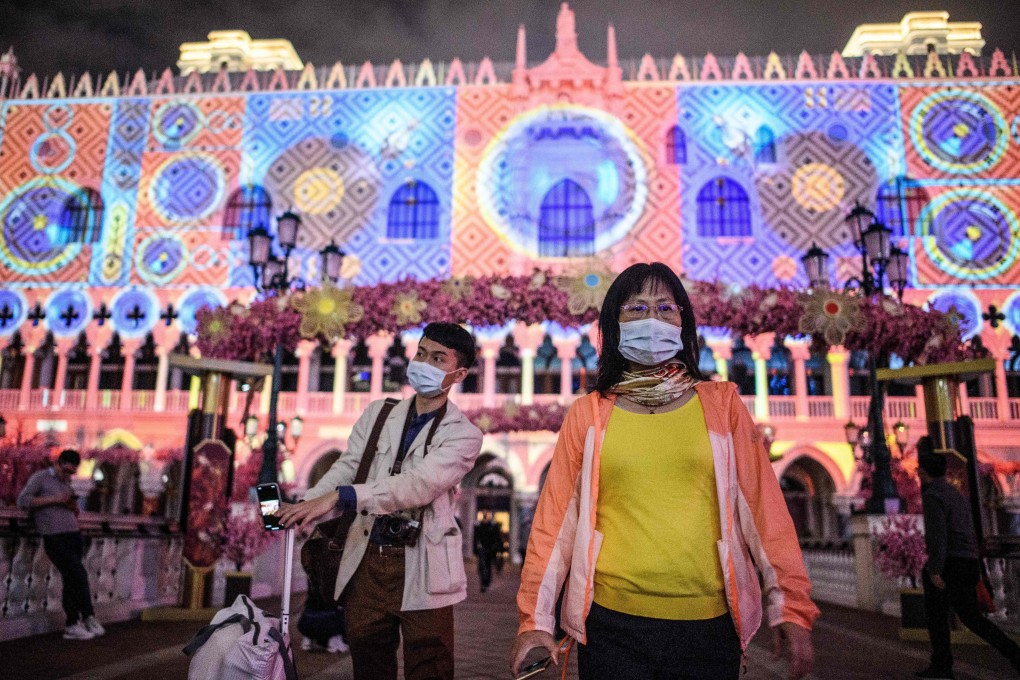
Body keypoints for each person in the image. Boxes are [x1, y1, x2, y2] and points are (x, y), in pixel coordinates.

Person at [512, 262, 818, 680]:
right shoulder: (589, 414)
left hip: (709, 627)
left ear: (683, 323)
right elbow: (554, 526)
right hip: (610, 623)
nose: (651, 319)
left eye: (664, 308)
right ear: (613, 327)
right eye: (635, 309)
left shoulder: (722, 405)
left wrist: (791, 605)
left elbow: (764, 512)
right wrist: (534, 622)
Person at [279, 322, 483, 680]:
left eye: (438, 358)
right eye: (421, 353)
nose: (424, 363)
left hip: (424, 563)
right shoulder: (379, 414)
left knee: (429, 663)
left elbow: (417, 485)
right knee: (369, 661)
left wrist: (340, 497)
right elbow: (348, 466)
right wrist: (307, 504)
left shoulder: (463, 434)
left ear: (458, 373)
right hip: (367, 561)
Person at [915, 436, 1020, 679]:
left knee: (938, 617)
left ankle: (942, 665)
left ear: (922, 472)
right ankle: (1013, 653)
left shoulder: (933, 496)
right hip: (967, 560)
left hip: (949, 563)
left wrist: (935, 569)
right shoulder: (954, 493)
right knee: (972, 618)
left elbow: (938, 536)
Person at [17, 449, 105, 641]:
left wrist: (72, 507)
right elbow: (23, 500)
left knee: (72, 578)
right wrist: (55, 500)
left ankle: (73, 624)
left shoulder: (66, 483)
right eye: (66, 471)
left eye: (71, 472)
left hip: (72, 533)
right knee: (78, 574)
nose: (68, 475)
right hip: (54, 535)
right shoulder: (41, 478)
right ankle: (87, 616)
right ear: (58, 463)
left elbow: (72, 510)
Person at [473, 511, 502, 593]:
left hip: (491, 549)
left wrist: (497, 549)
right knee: (482, 567)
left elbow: (497, 538)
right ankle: (483, 583)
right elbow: (476, 538)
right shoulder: (480, 525)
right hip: (482, 548)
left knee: (488, 566)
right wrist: (475, 549)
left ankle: (486, 583)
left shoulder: (493, 526)